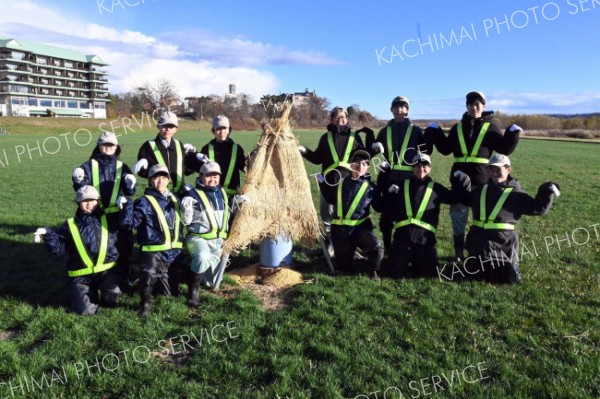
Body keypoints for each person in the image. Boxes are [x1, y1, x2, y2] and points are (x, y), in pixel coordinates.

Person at [427, 91, 521, 261]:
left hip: (482, 182)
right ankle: (458, 253)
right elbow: (445, 149)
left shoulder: (491, 128)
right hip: (459, 182)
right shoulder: (457, 128)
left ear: (484, 106)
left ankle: (480, 252)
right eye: (471, 104)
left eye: (478, 103)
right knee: (458, 219)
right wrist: (436, 133)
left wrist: (513, 135)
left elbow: (504, 149)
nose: (474, 107)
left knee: (481, 219)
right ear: (467, 106)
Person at [461, 154, 560, 284]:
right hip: (480, 243)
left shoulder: (516, 194)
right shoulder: (481, 190)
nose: (495, 173)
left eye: (498, 169)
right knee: (471, 277)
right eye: (492, 169)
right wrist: (460, 184)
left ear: (509, 170)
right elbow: (462, 198)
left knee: (510, 281)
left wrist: (546, 191)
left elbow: (538, 208)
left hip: (504, 244)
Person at [34, 186, 122, 315]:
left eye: (92, 200)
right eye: (84, 201)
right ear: (78, 203)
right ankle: (83, 294)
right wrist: (48, 234)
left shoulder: (109, 220)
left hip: (107, 271)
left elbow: (127, 224)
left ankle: (108, 291)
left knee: (112, 299)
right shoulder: (70, 225)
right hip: (82, 276)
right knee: (86, 311)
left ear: (98, 201)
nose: (89, 204)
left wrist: (126, 204)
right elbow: (58, 249)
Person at [300, 106, 375, 253]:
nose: (340, 119)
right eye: (337, 117)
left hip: (348, 182)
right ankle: (331, 245)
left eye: (343, 117)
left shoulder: (354, 137)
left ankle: (349, 245)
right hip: (328, 182)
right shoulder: (325, 137)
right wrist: (305, 152)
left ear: (347, 119)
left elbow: (364, 157)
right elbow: (317, 159)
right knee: (327, 214)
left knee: (346, 214)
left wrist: (374, 149)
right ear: (332, 119)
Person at [386, 154, 470, 278]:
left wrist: (464, 181)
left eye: (425, 166)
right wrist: (389, 191)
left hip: (424, 240)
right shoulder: (401, 185)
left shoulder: (437, 188)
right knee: (393, 273)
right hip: (402, 238)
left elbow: (457, 198)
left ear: (430, 168)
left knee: (430, 274)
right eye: (417, 166)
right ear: (412, 168)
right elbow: (384, 206)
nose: (421, 169)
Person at [373, 96, 435, 258]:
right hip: (388, 178)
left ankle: (406, 249)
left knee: (406, 215)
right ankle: (387, 249)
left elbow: (425, 150)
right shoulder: (384, 131)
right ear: (391, 109)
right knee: (386, 218)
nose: (399, 109)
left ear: (407, 110)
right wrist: (378, 154)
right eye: (396, 106)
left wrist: (431, 134)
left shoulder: (415, 130)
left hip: (409, 180)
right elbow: (375, 153)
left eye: (403, 106)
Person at [179, 162, 249, 307]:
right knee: (202, 257)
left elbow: (227, 214)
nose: (212, 180)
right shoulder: (191, 194)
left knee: (212, 281)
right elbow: (186, 222)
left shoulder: (221, 192)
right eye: (209, 176)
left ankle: (189, 270)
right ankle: (193, 291)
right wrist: (186, 210)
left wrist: (236, 202)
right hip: (199, 238)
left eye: (215, 176)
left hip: (218, 240)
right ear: (201, 176)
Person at [71, 131, 136, 285]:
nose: (107, 147)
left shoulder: (122, 166)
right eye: (104, 144)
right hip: (95, 214)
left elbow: (130, 192)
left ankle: (123, 276)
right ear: (98, 146)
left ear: (116, 147)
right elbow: (81, 191)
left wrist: (130, 184)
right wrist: (78, 181)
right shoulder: (88, 165)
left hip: (117, 215)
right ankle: (98, 278)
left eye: (110, 144)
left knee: (123, 247)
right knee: (96, 247)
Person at [120, 164, 184, 316]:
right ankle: (145, 304)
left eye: (163, 177)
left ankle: (147, 282)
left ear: (168, 180)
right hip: (153, 252)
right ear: (150, 180)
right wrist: (127, 206)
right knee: (148, 273)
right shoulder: (143, 201)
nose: (160, 181)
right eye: (156, 177)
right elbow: (129, 223)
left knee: (169, 294)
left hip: (173, 252)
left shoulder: (175, 199)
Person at [320, 150, 383, 281]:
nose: (361, 166)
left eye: (365, 163)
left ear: (368, 167)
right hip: (340, 230)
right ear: (351, 165)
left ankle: (373, 270)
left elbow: (379, 207)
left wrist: (389, 193)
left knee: (376, 246)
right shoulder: (340, 183)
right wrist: (322, 184)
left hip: (361, 229)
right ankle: (351, 254)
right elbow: (331, 199)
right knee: (344, 267)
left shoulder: (372, 187)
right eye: (357, 162)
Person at [133, 111, 198, 194]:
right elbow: (143, 173)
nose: (168, 129)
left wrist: (194, 155)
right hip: (158, 195)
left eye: (171, 126)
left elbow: (188, 170)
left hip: (179, 194)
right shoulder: (148, 146)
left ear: (176, 129)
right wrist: (144, 168)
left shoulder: (179, 145)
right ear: (158, 126)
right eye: (164, 125)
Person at [195, 115, 246, 198]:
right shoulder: (206, 149)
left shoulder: (237, 149)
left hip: (232, 197)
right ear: (213, 131)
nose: (222, 132)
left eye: (225, 128)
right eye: (218, 129)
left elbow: (245, 168)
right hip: (211, 195)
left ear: (229, 130)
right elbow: (199, 170)